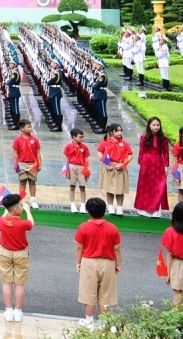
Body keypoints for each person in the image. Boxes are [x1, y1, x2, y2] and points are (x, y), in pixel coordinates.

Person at [75, 197, 121, 328]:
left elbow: (79, 247)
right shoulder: (112, 228)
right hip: (108, 262)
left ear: (88, 211)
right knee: (105, 294)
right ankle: (103, 323)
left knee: (89, 293)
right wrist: (118, 265)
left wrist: (78, 262)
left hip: (88, 262)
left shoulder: (83, 227)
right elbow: (117, 248)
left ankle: (89, 321)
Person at [0, 192, 35, 322]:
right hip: (21, 254)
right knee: (19, 284)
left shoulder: (1, 221)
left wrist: (5, 212)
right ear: (16, 209)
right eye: (21, 206)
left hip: (4, 252)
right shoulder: (23, 223)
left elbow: (0, 222)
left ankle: (8, 311)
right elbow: (31, 224)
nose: (23, 207)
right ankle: (18, 312)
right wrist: (28, 211)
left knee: (7, 283)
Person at [136, 115, 170, 217]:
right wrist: (141, 164)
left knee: (158, 186)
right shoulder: (144, 137)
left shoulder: (164, 138)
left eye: (158, 125)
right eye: (154, 125)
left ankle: (156, 210)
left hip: (158, 163)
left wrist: (166, 166)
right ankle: (143, 209)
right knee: (145, 186)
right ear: (149, 126)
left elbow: (166, 154)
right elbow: (141, 152)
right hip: (146, 163)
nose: (156, 127)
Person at [98, 124, 132, 215]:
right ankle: (110, 206)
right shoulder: (105, 142)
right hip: (109, 166)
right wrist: (106, 162)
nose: (120, 132)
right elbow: (99, 151)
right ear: (111, 132)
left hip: (119, 167)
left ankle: (120, 208)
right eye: (117, 131)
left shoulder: (124, 143)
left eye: (121, 130)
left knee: (119, 188)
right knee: (109, 188)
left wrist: (123, 164)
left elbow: (130, 155)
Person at [12, 119, 42, 208]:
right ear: (22, 128)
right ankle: (22, 200)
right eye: (28, 127)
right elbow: (15, 153)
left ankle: (33, 200)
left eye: (30, 127)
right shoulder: (17, 140)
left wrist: (39, 163)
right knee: (22, 182)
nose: (30, 129)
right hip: (21, 163)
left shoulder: (34, 139)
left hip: (32, 164)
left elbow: (38, 152)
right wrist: (16, 164)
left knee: (32, 182)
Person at [161, 202, 183, 305]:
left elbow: (169, 254)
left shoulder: (170, 232)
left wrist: (167, 273)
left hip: (177, 265)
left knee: (177, 300)